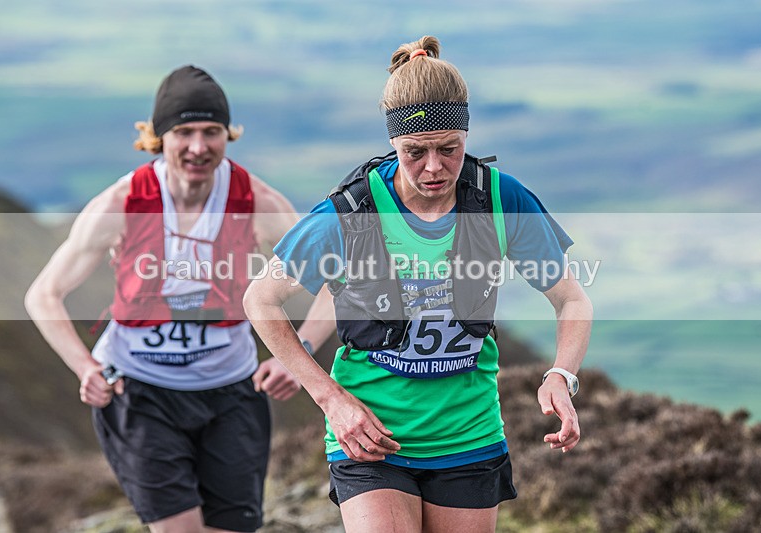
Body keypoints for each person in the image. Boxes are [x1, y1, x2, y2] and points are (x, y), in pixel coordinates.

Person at [243, 36, 593, 532]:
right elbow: (260, 299)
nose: (434, 167)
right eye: (414, 152)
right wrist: (331, 400)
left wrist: (562, 375)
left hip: (468, 436)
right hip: (370, 436)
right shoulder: (352, 211)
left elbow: (571, 299)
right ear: (393, 143)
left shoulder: (499, 199)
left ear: (467, 136)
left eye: (449, 149)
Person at [25, 65, 332, 533]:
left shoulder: (257, 202)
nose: (197, 147)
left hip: (230, 391)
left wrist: (300, 351)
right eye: (183, 132)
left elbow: (334, 281)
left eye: (211, 132)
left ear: (227, 136)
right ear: (158, 136)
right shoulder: (122, 203)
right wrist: (85, 369)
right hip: (140, 391)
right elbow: (44, 295)